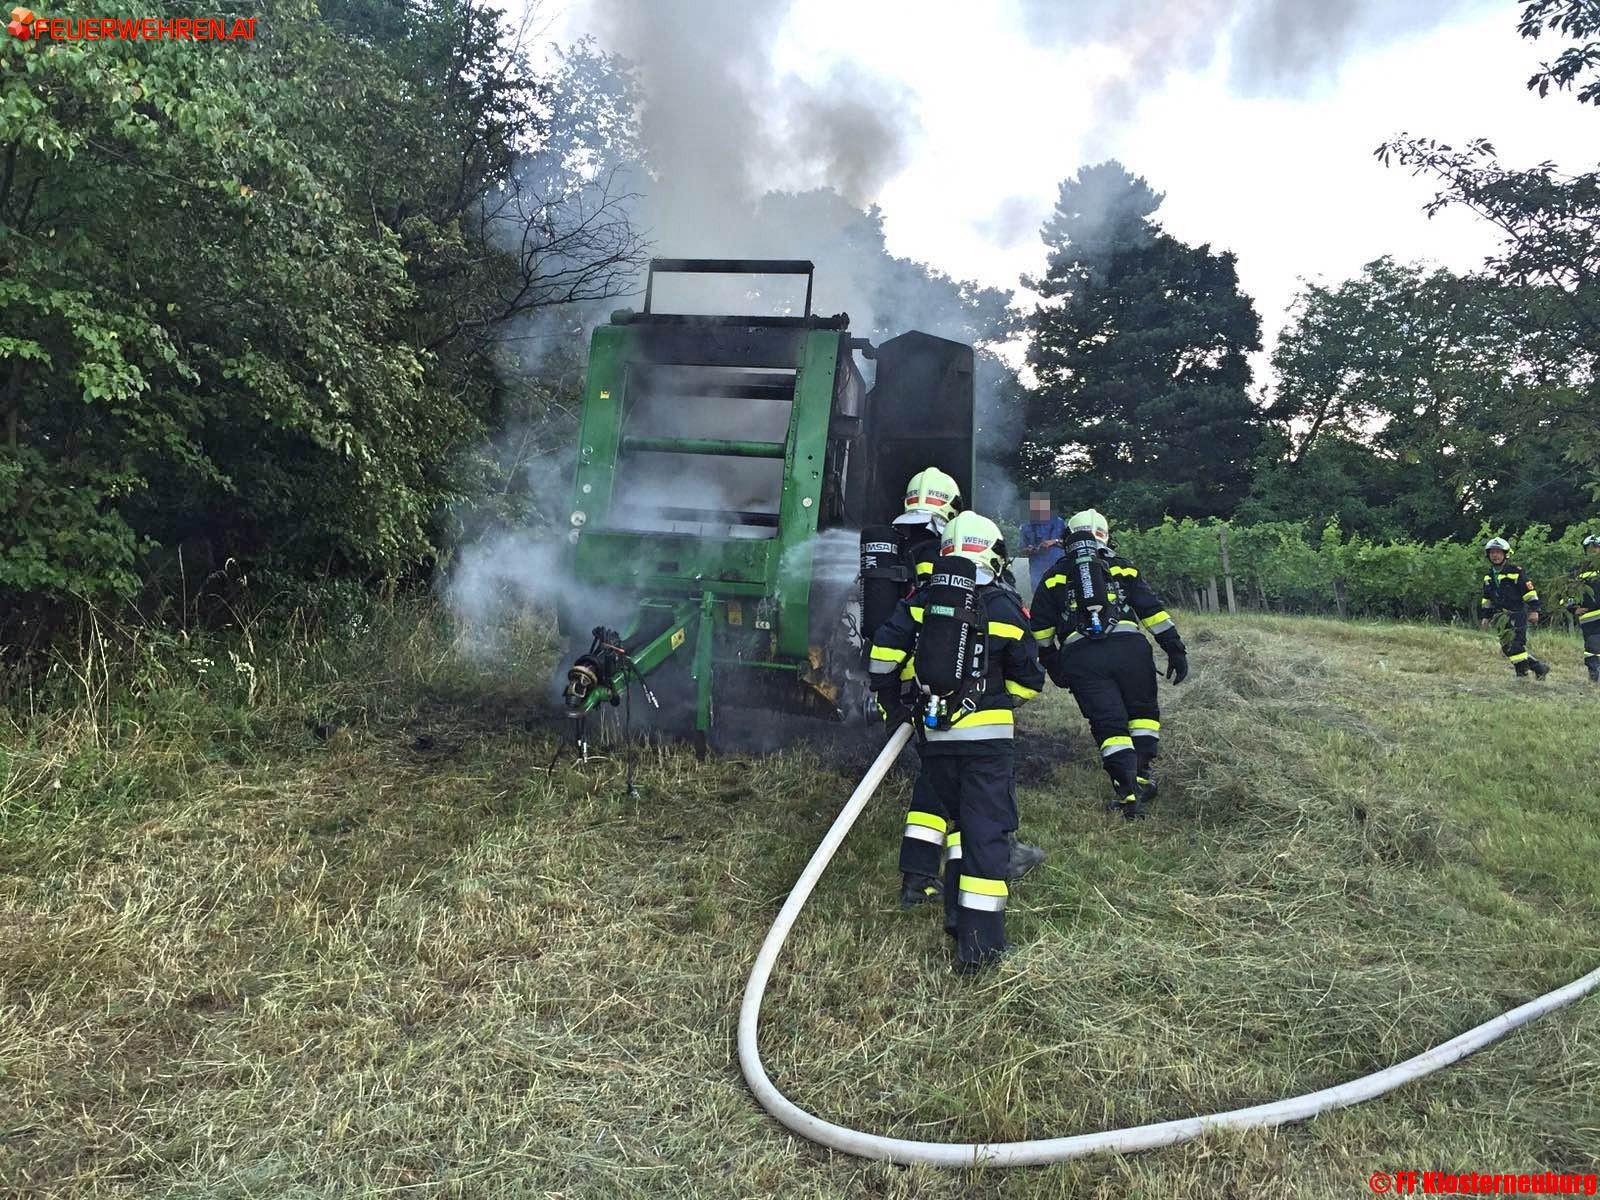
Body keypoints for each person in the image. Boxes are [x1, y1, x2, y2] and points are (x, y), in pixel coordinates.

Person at [867, 511, 1045, 973]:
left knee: (956, 824)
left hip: (936, 738)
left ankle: (953, 915)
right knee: (984, 835)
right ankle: (980, 949)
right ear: (992, 552)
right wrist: (1000, 702)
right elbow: (1030, 678)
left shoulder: (925, 599)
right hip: (988, 746)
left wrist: (896, 701)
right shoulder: (1004, 604)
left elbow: (883, 654)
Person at [1028, 508, 1187, 820]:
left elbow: (1042, 631)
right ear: (1105, 536)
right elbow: (1152, 611)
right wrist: (1174, 648)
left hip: (1082, 658)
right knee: (1142, 714)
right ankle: (1143, 774)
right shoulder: (1122, 568)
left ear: (1065, 541)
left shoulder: (1054, 576)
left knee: (1109, 724)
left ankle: (1128, 794)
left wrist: (1053, 664)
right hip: (1132, 651)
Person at [1479, 537, 1549, 680]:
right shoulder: (1488, 576)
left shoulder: (1516, 572)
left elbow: (1529, 592)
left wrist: (1534, 610)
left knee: (1516, 645)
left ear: (1506, 554)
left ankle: (1521, 675)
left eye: (1499, 552)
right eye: (1492, 552)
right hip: (1500, 617)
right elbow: (1487, 599)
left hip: (1517, 614)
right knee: (1506, 647)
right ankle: (1539, 668)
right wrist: (1486, 617)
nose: (1495, 555)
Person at [1562, 533, 1600, 683]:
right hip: (1589, 617)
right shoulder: (1577, 571)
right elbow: (1564, 593)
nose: (1593, 551)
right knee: (1592, 648)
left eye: (1596, 548)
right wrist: (1572, 608)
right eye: (1590, 548)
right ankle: (1594, 677)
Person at [1018, 491, 1067, 598]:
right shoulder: (1026, 526)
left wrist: (1054, 541)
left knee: (1059, 594)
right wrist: (1029, 549)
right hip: (1036, 567)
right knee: (1038, 595)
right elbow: (1021, 549)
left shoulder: (1059, 522)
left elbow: (1068, 543)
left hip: (1057, 565)